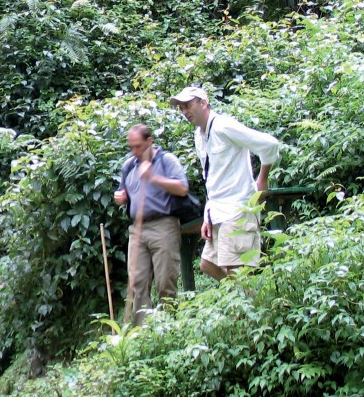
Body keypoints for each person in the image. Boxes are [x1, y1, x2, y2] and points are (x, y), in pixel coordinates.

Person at [169, 86, 281, 280]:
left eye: (187, 105)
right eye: (181, 108)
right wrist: (207, 215)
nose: (184, 112)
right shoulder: (199, 135)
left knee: (236, 272)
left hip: (238, 209)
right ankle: (248, 301)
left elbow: (269, 144)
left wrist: (262, 177)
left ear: (203, 103)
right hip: (218, 212)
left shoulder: (224, 126)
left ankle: (249, 305)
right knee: (207, 265)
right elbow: (211, 177)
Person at [112, 124, 190, 324]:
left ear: (149, 141)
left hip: (164, 226)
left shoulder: (167, 161)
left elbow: (182, 188)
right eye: (131, 147)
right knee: (138, 283)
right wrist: (121, 197)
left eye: (138, 146)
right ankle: (143, 334)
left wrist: (153, 177)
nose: (134, 151)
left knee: (166, 281)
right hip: (137, 230)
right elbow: (125, 193)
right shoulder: (129, 165)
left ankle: (168, 327)